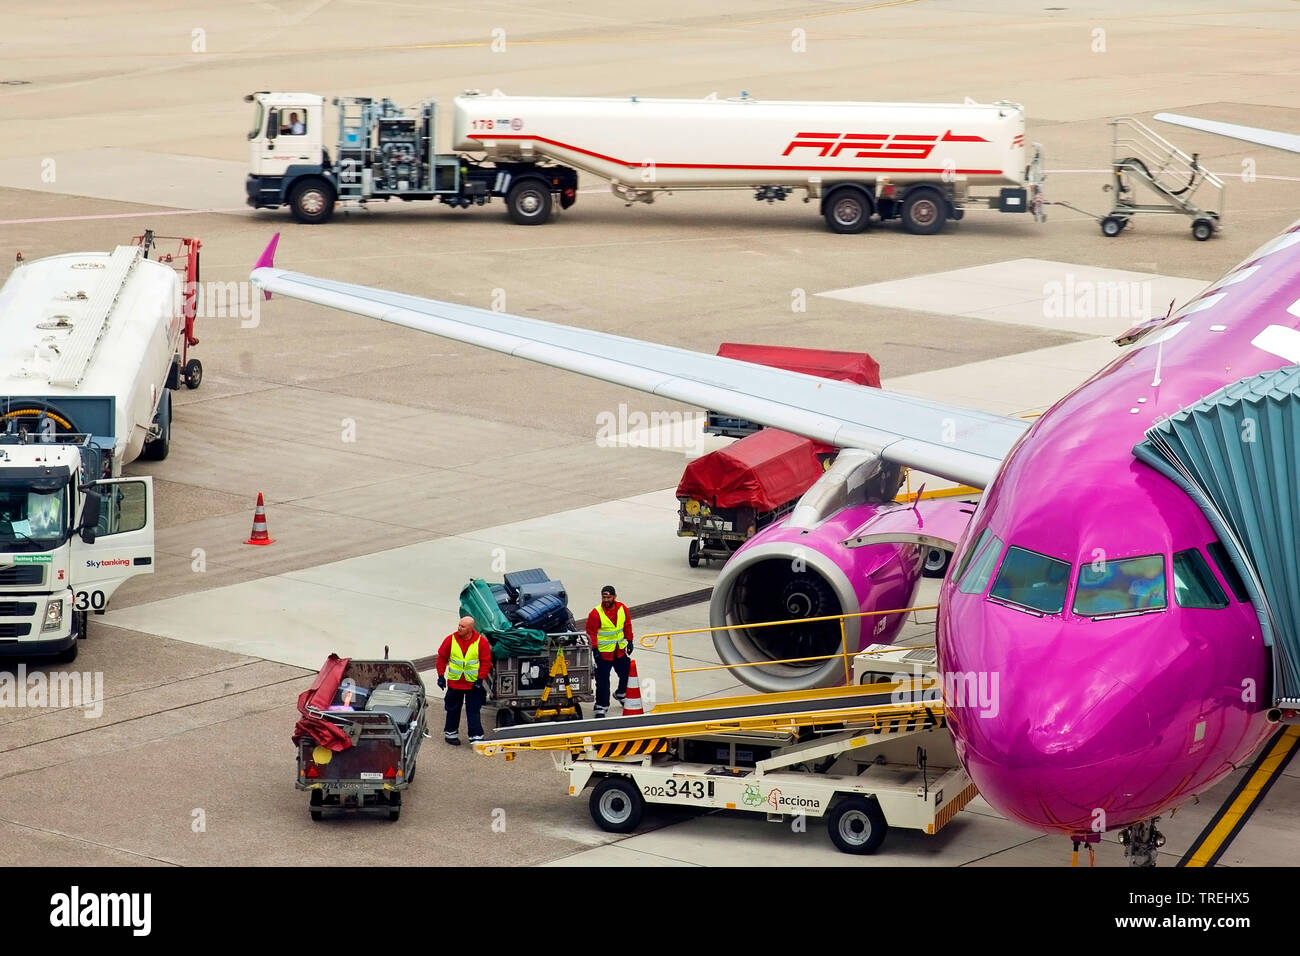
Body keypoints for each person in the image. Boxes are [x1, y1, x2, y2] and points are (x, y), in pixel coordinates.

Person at [435, 616, 492, 745]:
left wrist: (480, 679)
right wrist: (440, 676)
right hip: (455, 683)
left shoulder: (481, 642)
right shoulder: (450, 640)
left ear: (471, 629)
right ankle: (450, 734)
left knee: (473, 711)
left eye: (463, 626)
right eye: (459, 625)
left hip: (473, 684)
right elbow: (442, 658)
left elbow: (485, 662)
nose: (459, 628)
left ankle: (476, 736)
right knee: (453, 709)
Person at [586, 585, 633, 718]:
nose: (606, 599)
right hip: (603, 654)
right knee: (602, 682)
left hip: (619, 651)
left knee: (627, 673)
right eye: (604, 597)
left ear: (614, 597)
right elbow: (591, 633)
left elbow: (627, 624)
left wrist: (629, 640)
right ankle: (601, 706)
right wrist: (595, 649)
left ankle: (620, 693)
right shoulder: (595, 613)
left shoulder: (622, 609)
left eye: (609, 597)